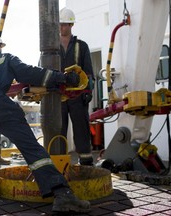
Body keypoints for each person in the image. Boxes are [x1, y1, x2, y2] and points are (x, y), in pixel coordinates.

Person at [0, 31, 90, 213]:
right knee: (31, 148)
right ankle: (62, 194)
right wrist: (63, 78)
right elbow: (30, 73)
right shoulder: (5, 59)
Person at [59, 8, 95, 166]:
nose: (62, 27)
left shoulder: (82, 46)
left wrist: (88, 91)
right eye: (59, 24)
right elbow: (42, 69)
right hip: (57, 95)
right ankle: (58, 161)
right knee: (58, 129)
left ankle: (86, 161)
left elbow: (88, 73)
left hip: (77, 95)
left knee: (81, 127)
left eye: (65, 24)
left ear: (71, 24)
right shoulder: (50, 47)